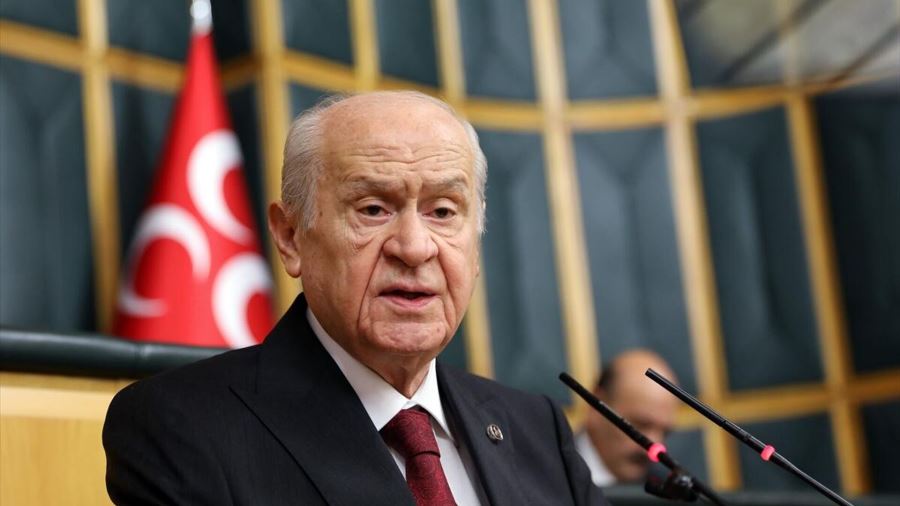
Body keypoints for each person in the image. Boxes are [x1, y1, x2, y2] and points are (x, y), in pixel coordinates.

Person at [103, 91, 608, 505]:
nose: (415, 247)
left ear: (475, 245)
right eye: (372, 209)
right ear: (291, 237)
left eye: (443, 211)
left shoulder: (536, 430)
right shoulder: (182, 426)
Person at [576, 349, 678, 487]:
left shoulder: (664, 488)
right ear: (596, 407)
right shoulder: (551, 475)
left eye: (665, 433)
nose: (653, 448)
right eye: (640, 425)